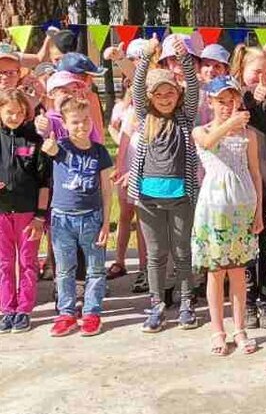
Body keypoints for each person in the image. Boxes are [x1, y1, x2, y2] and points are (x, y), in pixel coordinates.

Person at [128, 36, 201, 333]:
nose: (164, 97)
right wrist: (146, 57)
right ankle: (156, 305)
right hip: (148, 198)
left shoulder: (185, 116)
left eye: (169, 92)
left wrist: (184, 59)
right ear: (150, 97)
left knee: (182, 253)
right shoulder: (145, 116)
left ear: (177, 94)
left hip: (181, 196)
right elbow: (136, 88)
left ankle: (186, 303)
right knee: (156, 254)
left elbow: (193, 87)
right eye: (158, 93)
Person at [192, 76, 264, 355]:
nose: (227, 106)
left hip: (242, 207)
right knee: (216, 272)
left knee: (238, 272)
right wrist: (229, 124)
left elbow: (255, 172)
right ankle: (217, 330)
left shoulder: (249, 136)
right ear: (210, 102)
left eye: (232, 100)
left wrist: (258, 211)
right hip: (214, 209)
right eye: (221, 101)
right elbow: (209, 142)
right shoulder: (201, 131)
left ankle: (240, 328)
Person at [37, 99, 113, 337]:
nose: (81, 126)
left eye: (85, 120)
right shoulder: (60, 147)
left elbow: (107, 190)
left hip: (91, 218)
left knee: (95, 269)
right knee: (64, 269)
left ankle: (91, 313)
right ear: (65, 124)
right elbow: (47, 147)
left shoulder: (100, 152)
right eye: (75, 122)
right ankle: (66, 314)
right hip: (62, 219)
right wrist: (45, 136)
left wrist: (105, 223)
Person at [234, 46, 266, 330]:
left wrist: (263, 103)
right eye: (256, 72)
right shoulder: (235, 100)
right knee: (248, 245)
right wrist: (251, 101)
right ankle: (248, 299)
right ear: (241, 70)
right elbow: (238, 123)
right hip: (243, 186)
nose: (262, 78)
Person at [0, 88, 49, 334]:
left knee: (28, 261)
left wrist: (40, 216)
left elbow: (44, 182)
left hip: (28, 214)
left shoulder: (33, 139)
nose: (14, 117)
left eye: (19, 113)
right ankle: (6, 309)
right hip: (1, 213)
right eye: (9, 112)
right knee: (4, 263)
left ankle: (24, 310)